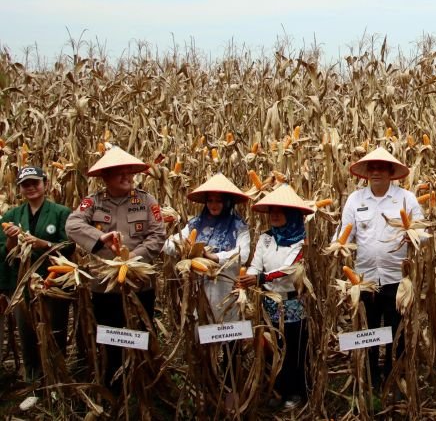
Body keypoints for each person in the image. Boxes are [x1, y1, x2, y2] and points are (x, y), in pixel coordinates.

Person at [66, 146, 166, 388]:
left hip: (140, 281)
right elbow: (72, 225)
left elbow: (158, 235)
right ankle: (113, 379)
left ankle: (141, 381)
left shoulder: (145, 200)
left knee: (141, 330)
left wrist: (131, 258)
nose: (127, 177)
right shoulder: (94, 202)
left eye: (129, 172)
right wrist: (99, 239)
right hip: (104, 284)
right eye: (120, 173)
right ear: (106, 177)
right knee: (110, 332)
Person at [338, 147, 423, 388]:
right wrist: (338, 244)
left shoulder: (406, 198)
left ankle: (395, 373)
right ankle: (371, 374)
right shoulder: (355, 200)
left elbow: (423, 231)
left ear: (390, 172)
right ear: (366, 173)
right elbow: (345, 231)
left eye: (381, 168)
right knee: (370, 328)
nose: (375, 172)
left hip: (397, 278)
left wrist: (414, 235)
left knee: (398, 331)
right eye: (372, 168)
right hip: (365, 279)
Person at [235, 184, 314, 409]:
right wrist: (245, 280)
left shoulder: (302, 241)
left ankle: (298, 391)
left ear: (292, 214)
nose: (275, 215)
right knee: (273, 346)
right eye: (272, 211)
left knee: (294, 347)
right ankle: (278, 388)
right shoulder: (265, 238)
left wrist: (260, 279)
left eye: (281, 211)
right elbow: (255, 265)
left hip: (293, 302)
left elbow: (291, 269)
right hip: (269, 301)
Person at [0, 166, 73, 381]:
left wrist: (44, 244)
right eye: (25, 184)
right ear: (20, 188)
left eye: (35, 183)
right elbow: (4, 252)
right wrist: (13, 239)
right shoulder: (12, 215)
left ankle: (56, 377)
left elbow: (69, 247)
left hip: (52, 281)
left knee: (54, 329)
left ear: (45, 184)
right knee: (27, 331)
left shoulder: (61, 213)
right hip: (21, 283)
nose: (31, 188)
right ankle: (33, 377)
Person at [164, 173, 250, 322]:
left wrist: (215, 257)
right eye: (210, 200)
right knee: (201, 324)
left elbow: (244, 254)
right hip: (198, 285)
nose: (213, 205)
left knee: (225, 326)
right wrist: (182, 247)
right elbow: (170, 245)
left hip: (225, 286)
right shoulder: (195, 223)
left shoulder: (239, 226)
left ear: (227, 202)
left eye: (218, 201)